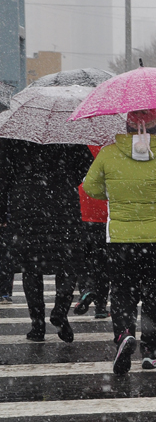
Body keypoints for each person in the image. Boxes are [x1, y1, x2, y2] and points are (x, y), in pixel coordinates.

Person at [83, 109, 156, 372]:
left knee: (123, 292)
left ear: (126, 127)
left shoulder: (108, 154)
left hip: (121, 239)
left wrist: (113, 191)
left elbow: (91, 188)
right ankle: (151, 350)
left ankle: (124, 334)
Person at [0, 139, 92, 342]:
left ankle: (37, 326)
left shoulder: (14, 136)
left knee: (30, 268)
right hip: (63, 203)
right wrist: (65, 178)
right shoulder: (67, 133)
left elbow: (3, 177)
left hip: (25, 206)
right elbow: (87, 163)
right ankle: (60, 311)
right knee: (68, 263)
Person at [74, 144, 110, 319]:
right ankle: (101, 307)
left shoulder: (80, 146)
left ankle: (87, 289)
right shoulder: (110, 149)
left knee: (83, 259)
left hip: (82, 210)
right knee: (103, 262)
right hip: (105, 212)